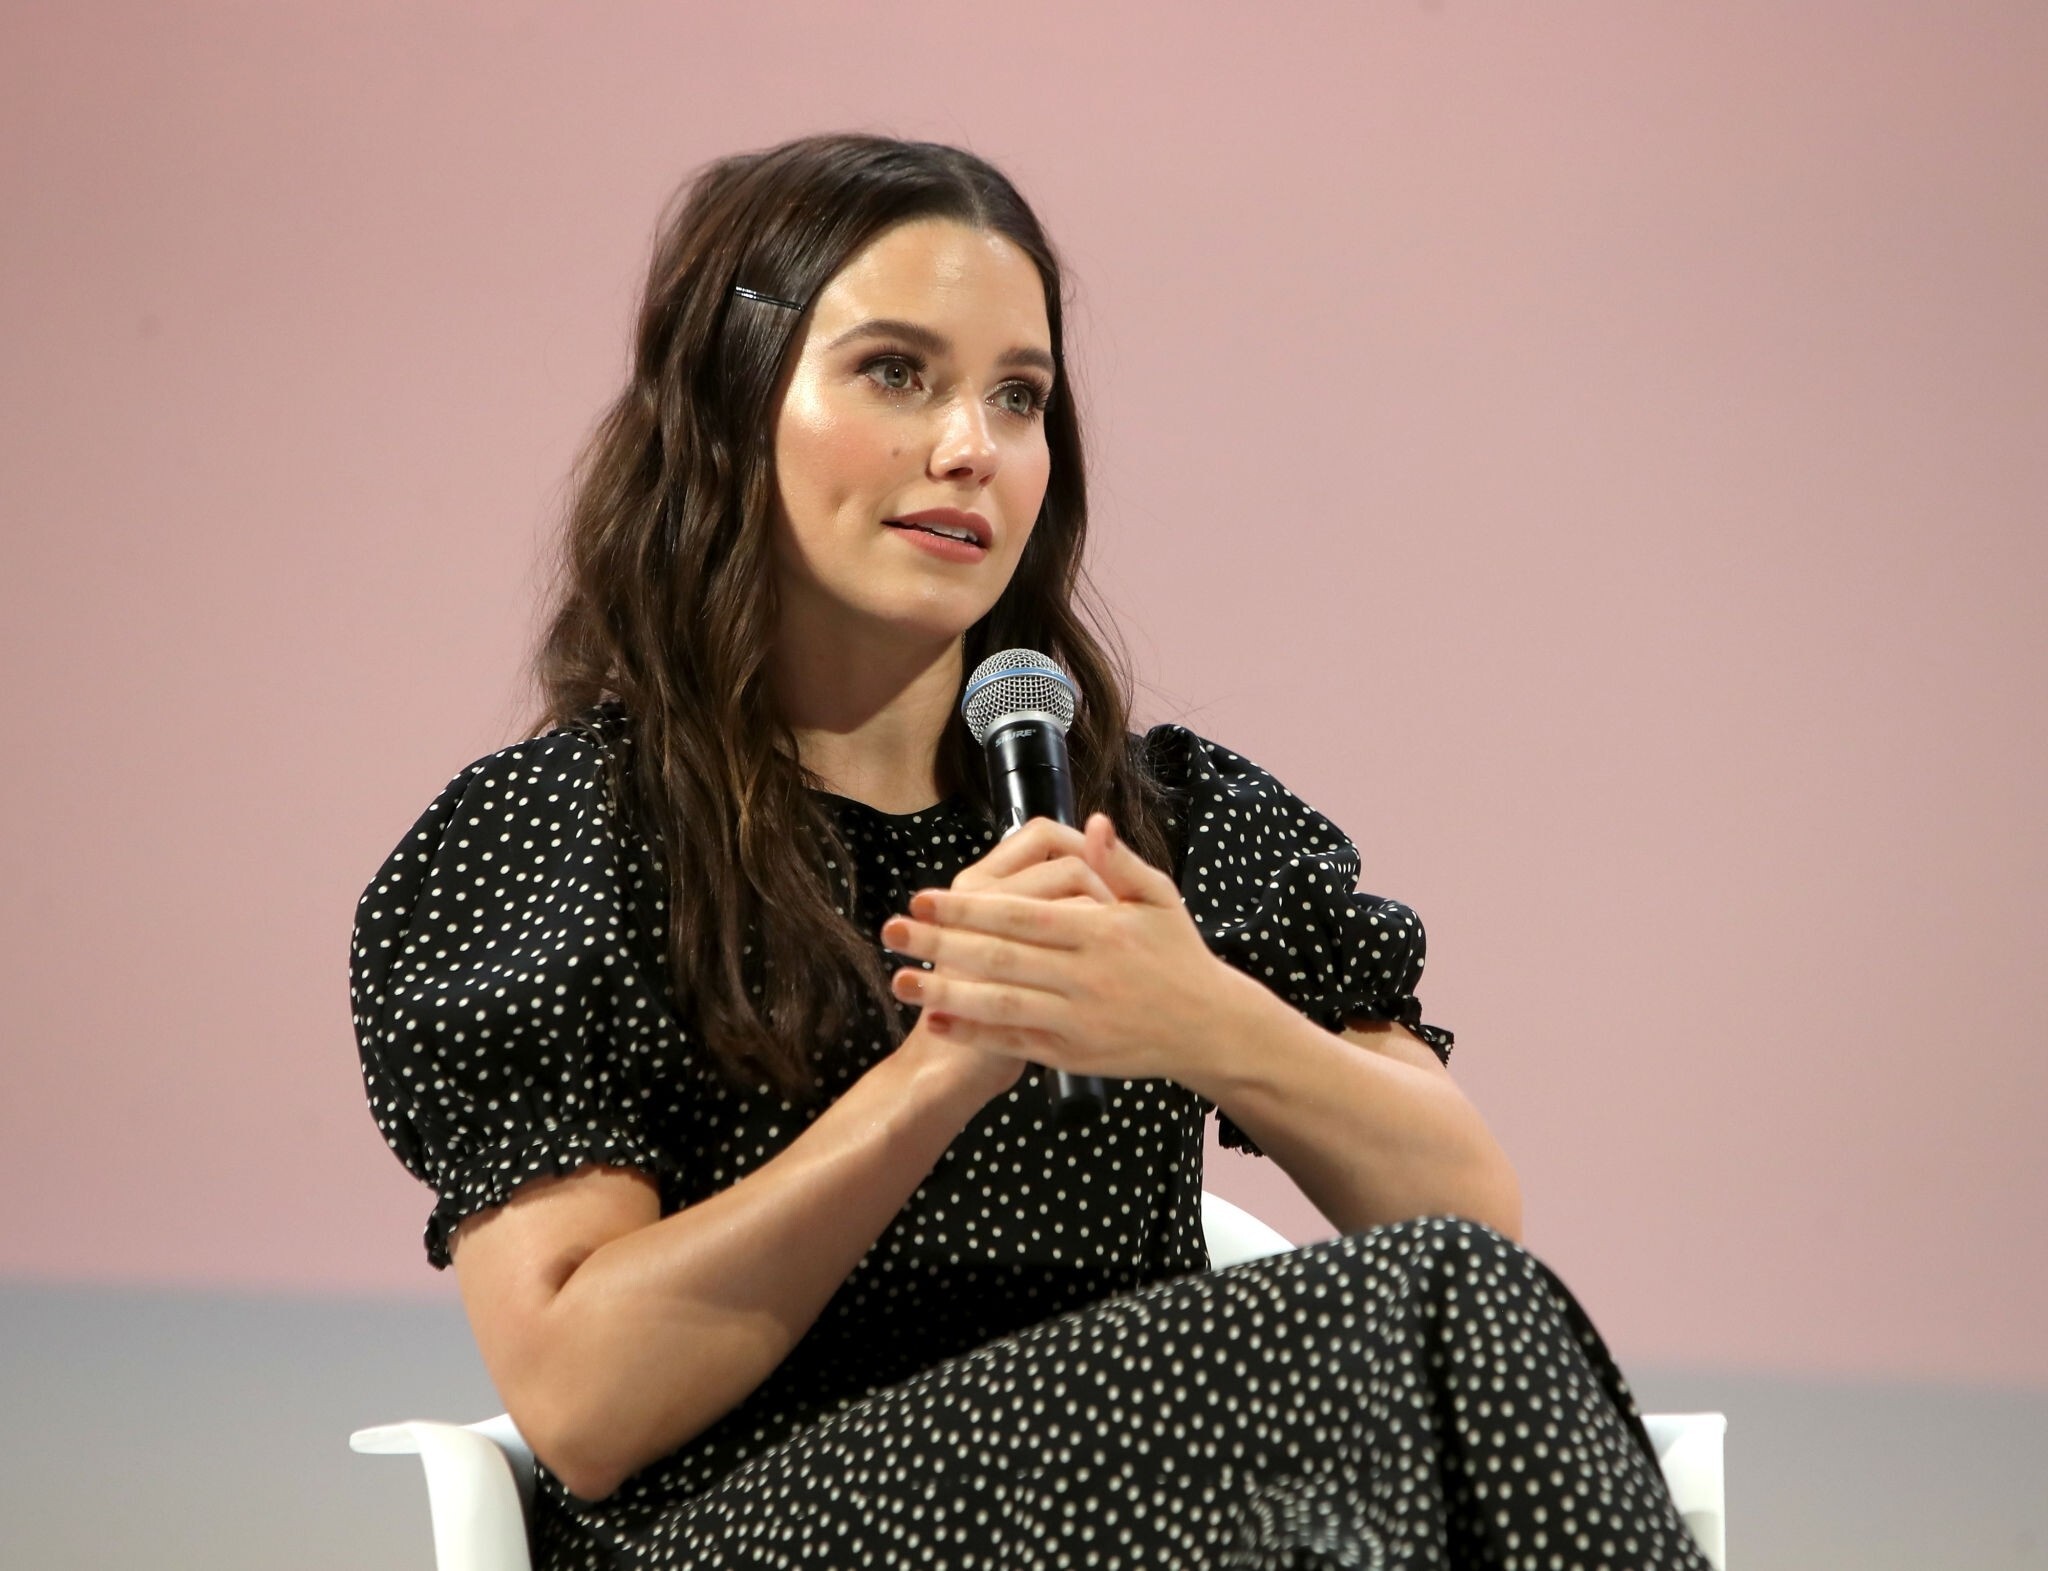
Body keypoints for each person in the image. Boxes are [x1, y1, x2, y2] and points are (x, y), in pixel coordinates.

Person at [350, 132, 1709, 1569]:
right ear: (733, 404)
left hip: (1159, 1521)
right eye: (897, 373)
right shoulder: (569, 832)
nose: (971, 448)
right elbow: (581, 1404)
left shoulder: (1156, 822)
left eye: (1019, 396)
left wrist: (1203, 1017)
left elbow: (1468, 1213)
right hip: (760, 1521)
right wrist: (944, 1066)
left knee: (1431, 1353)